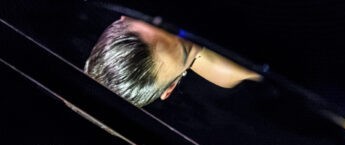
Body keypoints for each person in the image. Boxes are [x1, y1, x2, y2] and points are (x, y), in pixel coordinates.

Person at [84, 16, 262, 107]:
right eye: (186, 47)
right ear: (170, 87)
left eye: (156, 20)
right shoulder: (239, 65)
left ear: (123, 16)